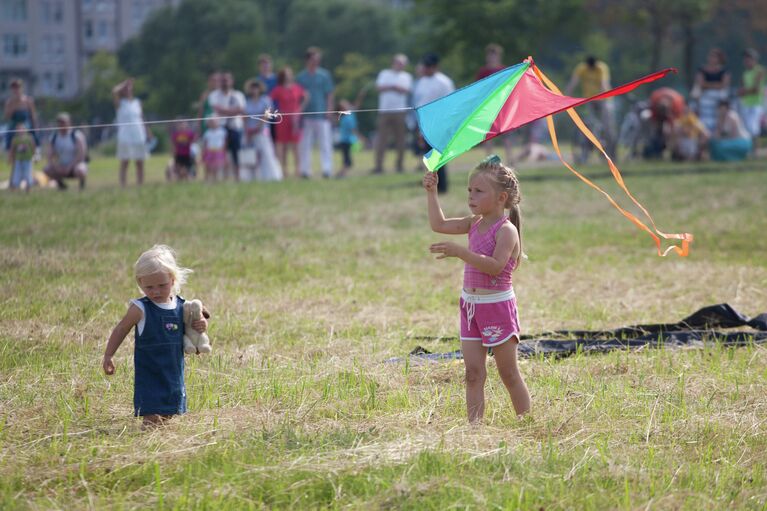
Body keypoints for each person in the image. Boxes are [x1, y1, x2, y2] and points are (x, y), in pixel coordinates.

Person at [423, 155, 530, 422]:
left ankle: (526, 422)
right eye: (469, 190)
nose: (471, 196)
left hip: (497, 308)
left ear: (501, 198)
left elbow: (494, 266)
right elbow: (439, 224)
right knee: (472, 373)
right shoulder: (473, 223)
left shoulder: (506, 231)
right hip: (470, 307)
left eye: (479, 191)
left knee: (508, 374)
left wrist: (461, 252)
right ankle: (474, 431)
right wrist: (431, 192)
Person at [102, 245, 208, 427]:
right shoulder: (140, 308)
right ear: (140, 283)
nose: (156, 291)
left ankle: (160, 434)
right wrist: (108, 355)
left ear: (172, 280)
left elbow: (191, 329)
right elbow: (121, 329)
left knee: (169, 412)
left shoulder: (181, 305)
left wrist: (202, 326)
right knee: (152, 416)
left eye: (162, 285)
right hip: (150, 372)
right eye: (149, 287)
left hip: (173, 370)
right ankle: (148, 436)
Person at [413, 53, 455, 193]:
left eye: (429, 66)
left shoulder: (444, 82)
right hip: (425, 123)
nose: (426, 68)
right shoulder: (421, 82)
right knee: (428, 155)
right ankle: (431, 183)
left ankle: (441, 185)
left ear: (435, 67)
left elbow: (450, 103)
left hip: (440, 123)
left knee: (437, 156)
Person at [565, 55, 617, 161]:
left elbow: (604, 84)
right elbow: (573, 82)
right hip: (590, 99)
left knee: (608, 127)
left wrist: (605, 98)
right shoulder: (582, 68)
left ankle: (612, 153)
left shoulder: (601, 68)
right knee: (591, 123)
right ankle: (590, 146)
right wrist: (566, 97)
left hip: (605, 99)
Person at [296, 46, 335, 179]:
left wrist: (329, 110)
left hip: (321, 114)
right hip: (306, 115)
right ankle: (305, 170)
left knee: (325, 143)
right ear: (307, 60)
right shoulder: (301, 77)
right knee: (305, 144)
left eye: (317, 59)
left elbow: (329, 94)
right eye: (313, 59)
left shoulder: (324, 75)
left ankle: (327, 169)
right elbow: (298, 97)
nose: (316, 62)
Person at [372, 53, 412, 174]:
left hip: (400, 111)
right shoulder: (384, 73)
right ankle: (379, 166)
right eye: (398, 63)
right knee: (381, 140)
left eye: (402, 64)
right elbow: (379, 88)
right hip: (384, 111)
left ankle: (399, 165)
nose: (400, 65)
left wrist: (392, 87)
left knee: (400, 140)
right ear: (393, 63)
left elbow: (407, 90)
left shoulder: (406, 76)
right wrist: (394, 87)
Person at [475, 44, 514, 162]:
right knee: (488, 135)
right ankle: (489, 160)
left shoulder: (504, 70)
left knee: (506, 135)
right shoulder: (483, 72)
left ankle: (510, 160)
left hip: (502, 107)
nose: (492, 58)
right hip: (488, 107)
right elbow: (478, 89)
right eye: (490, 55)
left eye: (494, 55)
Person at [208, 71, 246, 181]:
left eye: (227, 80)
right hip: (220, 128)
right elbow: (217, 109)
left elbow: (241, 109)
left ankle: (237, 178)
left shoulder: (238, 95)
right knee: (221, 154)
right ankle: (222, 178)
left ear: (232, 81)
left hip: (235, 128)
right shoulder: (214, 95)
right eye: (223, 80)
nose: (225, 83)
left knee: (236, 154)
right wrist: (233, 111)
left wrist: (226, 111)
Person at [242, 79, 282, 182]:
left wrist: (259, 126)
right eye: (252, 87)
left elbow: (268, 113)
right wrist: (247, 130)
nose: (254, 90)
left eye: (256, 87)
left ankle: (270, 176)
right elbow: (245, 116)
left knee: (266, 153)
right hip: (250, 132)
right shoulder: (247, 102)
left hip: (262, 131)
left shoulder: (265, 100)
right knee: (251, 155)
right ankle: (250, 177)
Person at [270, 67, 306, 178]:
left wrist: (299, 111)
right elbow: (269, 101)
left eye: (290, 74)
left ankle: (298, 171)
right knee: (283, 146)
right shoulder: (278, 89)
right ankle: (283, 171)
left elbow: (305, 96)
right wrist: (276, 112)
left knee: (296, 146)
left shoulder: (297, 88)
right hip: (282, 119)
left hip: (295, 120)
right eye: (286, 74)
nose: (288, 76)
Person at [113, 78, 147, 186]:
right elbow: (114, 91)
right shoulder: (120, 103)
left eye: (129, 88)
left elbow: (142, 118)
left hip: (138, 134)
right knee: (125, 161)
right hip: (125, 136)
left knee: (140, 162)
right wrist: (124, 84)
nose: (128, 90)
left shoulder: (137, 102)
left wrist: (148, 132)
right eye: (125, 88)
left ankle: (140, 184)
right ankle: (123, 185)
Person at [43, 112, 88, 190]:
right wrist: (56, 167)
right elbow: (49, 155)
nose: (62, 125)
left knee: (81, 170)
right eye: (59, 123)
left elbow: (81, 155)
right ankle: (61, 186)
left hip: (75, 165)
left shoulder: (76, 136)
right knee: (47, 169)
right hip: (61, 166)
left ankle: (82, 186)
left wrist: (70, 166)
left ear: (69, 123)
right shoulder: (54, 137)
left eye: (64, 122)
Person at [691, 48, 731, 133]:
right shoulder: (702, 70)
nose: (712, 59)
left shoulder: (724, 71)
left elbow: (724, 85)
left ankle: (721, 130)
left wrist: (708, 85)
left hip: (718, 96)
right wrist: (716, 85)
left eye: (715, 57)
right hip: (705, 96)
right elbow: (700, 84)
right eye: (711, 56)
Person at [738, 48, 765, 154]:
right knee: (746, 128)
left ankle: (756, 151)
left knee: (753, 128)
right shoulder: (745, 73)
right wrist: (744, 91)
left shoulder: (759, 71)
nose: (746, 61)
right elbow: (743, 88)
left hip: (756, 104)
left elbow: (756, 89)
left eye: (749, 59)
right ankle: (749, 151)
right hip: (746, 103)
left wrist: (744, 91)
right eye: (745, 59)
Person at [3, 78, 39, 151]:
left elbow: (33, 115)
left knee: (32, 133)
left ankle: (36, 150)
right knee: (9, 132)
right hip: (14, 124)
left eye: (18, 87)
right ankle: (9, 150)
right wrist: (13, 107)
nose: (16, 90)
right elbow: (7, 117)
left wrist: (35, 126)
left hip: (26, 123)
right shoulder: (9, 102)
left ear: (21, 88)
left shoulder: (28, 100)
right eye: (14, 88)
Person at [335, 99, 360, 178]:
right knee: (347, 161)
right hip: (345, 141)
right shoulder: (347, 118)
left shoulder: (348, 115)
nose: (347, 105)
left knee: (347, 160)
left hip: (346, 141)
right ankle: (341, 174)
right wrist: (362, 138)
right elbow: (353, 130)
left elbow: (356, 106)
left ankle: (341, 173)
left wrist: (360, 96)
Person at [8, 123, 35, 192]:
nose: (20, 130)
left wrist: (34, 155)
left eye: (22, 128)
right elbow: (12, 149)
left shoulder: (29, 137)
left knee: (28, 174)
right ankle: (14, 188)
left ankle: (28, 188)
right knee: (17, 174)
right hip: (18, 160)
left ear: (25, 129)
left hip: (27, 159)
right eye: (18, 129)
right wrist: (10, 158)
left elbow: (33, 146)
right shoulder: (15, 139)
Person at [201, 118, 227, 182]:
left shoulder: (222, 131)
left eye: (214, 122)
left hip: (218, 151)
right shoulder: (207, 132)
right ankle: (206, 179)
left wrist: (223, 150)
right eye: (211, 122)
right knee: (208, 166)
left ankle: (215, 180)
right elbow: (205, 143)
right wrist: (204, 152)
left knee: (216, 167)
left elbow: (224, 142)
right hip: (209, 151)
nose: (213, 123)